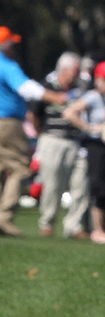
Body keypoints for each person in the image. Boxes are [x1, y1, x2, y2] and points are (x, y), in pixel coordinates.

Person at [0, 26, 70, 237]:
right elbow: (26, 88)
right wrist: (55, 97)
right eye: (12, 43)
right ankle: (4, 218)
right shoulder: (7, 64)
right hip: (8, 123)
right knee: (20, 168)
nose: (14, 47)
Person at [31, 51, 89, 238]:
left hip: (75, 142)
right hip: (52, 140)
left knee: (81, 184)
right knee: (53, 184)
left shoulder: (81, 88)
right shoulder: (47, 86)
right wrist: (42, 135)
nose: (77, 73)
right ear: (64, 69)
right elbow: (34, 115)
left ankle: (74, 226)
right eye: (75, 69)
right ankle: (48, 223)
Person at [66, 59, 105, 243]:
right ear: (97, 79)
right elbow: (70, 112)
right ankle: (97, 229)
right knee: (99, 189)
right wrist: (88, 128)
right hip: (96, 146)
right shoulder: (93, 96)